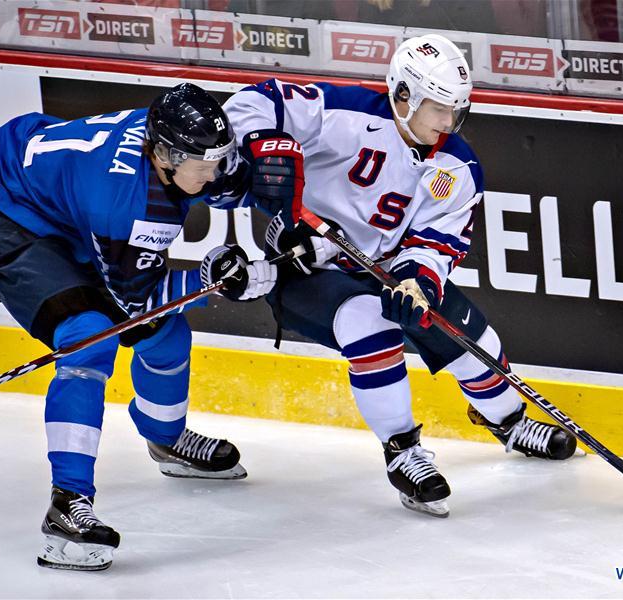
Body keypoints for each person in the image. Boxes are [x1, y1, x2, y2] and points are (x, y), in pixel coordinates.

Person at [223, 34, 576, 519]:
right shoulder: (344, 113)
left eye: (456, 110)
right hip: (306, 269)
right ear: (404, 95)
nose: (448, 122)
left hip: (389, 267)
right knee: (369, 324)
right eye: (439, 109)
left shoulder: (458, 165)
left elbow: (438, 240)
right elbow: (253, 103)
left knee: (472, 338)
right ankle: (403, 451)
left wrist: (419, 280)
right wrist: (264, 145)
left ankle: (509, 423)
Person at [0, 84, 277, 570]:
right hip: (10, 220)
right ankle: (67, 504)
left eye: (217, 160)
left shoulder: (175, 145)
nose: (213, 173)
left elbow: (232, 181)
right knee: (88, 339)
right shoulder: (131, 206)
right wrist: (211, 280)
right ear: (166, 157)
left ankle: (165, 439)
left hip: (61, 201)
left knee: (168, 336)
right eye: (204, 166)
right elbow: (137, 304)